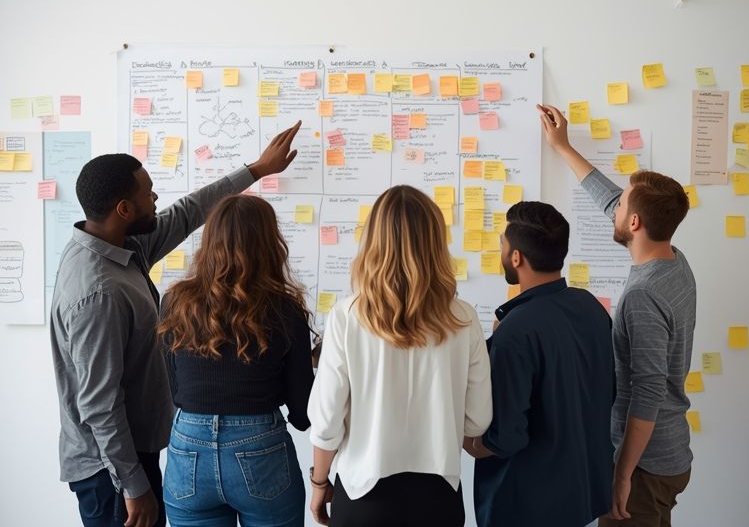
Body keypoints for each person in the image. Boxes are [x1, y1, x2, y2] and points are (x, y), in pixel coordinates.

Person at [49, 122, 301, 527]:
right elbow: (97, 403)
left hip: (149, 452)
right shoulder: (98, 291)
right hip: (110, 472)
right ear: (123, 210)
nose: (156, 197)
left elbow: (187, 213)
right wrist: (134, 486)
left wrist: (255, 170)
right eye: (147, 192)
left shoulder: (122, 247)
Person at [539, 104, 695, 527]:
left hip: (644, 467)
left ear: (636, 221)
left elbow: (647, 391)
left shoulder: (643, 295)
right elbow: (612, 201)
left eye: (623, 204)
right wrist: (563, 148)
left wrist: (622, 475)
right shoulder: (673, 260)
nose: (616, 208)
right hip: (671, 452)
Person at [306, 185, 493, 527]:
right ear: (436, 243)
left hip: (364, 498)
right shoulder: (464, 318)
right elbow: (478, 420)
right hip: (439, 499)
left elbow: (327, 421)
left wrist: (319, 484)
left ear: (373, 242)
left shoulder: (347, 316)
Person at [157, 194, 314, 526]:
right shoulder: (285, 310)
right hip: (260, 444)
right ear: (270, 244)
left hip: (188, 445)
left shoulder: (175, 302)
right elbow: (302, 414)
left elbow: (175, 388)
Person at [465, 201, 615, 527]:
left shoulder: (515, 333)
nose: (502, 251)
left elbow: (505, 439)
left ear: (516, 257)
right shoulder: (590, 307)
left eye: (503, 245)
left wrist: (459, 438)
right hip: (583, 498)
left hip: (527, 508)